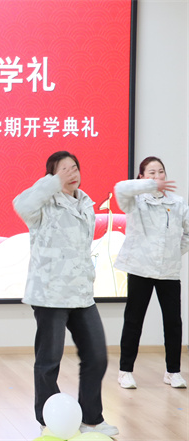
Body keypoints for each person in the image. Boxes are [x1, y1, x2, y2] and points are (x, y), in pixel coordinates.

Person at [13, 151, 118, 437]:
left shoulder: (86, 203)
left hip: (81, 293)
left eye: (74, 168)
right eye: (64, 169)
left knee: (97, 356)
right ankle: (49, 421)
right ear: (52, 175)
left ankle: (91, 419)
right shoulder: (42, 203)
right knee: (49, 361)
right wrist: (52, 183)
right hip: (50, 295)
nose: (72, 173)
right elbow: (21, 204)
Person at [115, 156, 189, 389]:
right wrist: (149, 186)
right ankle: (125, 371)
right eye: (152, 173)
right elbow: (120, 188)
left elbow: (188, 234)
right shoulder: (135, 201)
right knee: (134, 320)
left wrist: (174, 252)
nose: (158, 176)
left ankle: (173, 371)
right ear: (142, 177)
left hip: (168, 271)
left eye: (161, 172)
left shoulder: (177, 202)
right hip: (141, 268)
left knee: (173, 322)